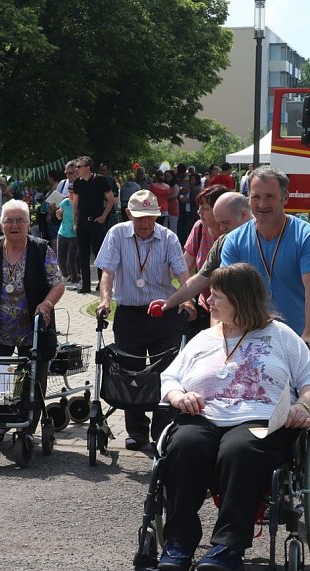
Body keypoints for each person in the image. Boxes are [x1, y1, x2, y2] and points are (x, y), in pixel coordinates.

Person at [156, 263, 310, 571]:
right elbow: (170, 378)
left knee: (240, 450)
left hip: (258, 419)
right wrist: (180, 396)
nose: (209, 301)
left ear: (240, 299)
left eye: (217, 296)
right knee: (184, 447)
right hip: (203, 416)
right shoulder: (203, 338)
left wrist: (302, 407)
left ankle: (226, 548)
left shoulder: (281, 335)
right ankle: (178, 544)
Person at [0, 199, 65, 444]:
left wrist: (47, 304)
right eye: (9, 220)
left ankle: (26, 427)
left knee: (33, 379)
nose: (14, 225)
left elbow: (58, 283)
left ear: (28, 224)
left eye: (20, 220)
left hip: (33, 327)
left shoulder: (41, 249)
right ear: (1, 224)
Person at [95, 190, 195, 450]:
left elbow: (182, 273)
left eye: (150, 218)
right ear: (129, 215)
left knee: (166, 371)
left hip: (162, 312)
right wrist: (105, 300)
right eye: (140, 218)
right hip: (129, 313)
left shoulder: (168, 237)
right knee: (132, 372)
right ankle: (136, 430)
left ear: (157, 216)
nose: (145, 224)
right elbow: (107, 271)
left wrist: (187, 298)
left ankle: (161, 430)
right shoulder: (117, 234)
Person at [220, 165, 310, 376]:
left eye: (270, 196)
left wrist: (309, 335)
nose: (262, 204)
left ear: (284, 198)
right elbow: (224, 294)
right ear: (248, 198)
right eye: (256, 196)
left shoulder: (307, 237)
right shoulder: (234, 240)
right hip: (251, 339)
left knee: (302, 408)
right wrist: (222, 338)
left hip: (300, 341)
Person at [157, 192, 254, 334]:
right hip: (229, 320)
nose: (221, 229)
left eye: (226, 223)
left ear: (244, 215)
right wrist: (170, 301)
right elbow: (201, 279)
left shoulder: (265, 238)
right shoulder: (224, 241)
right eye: (219, 223)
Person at [71, 156, 115, 294]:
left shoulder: (100, 180)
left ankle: (101, 283)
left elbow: (111, 200)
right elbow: (75, 203)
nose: (77, 169)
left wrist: (103, 216)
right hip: (82, 222)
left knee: (99, 254)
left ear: (87, 167)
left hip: (96, 222)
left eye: (79, 167)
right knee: (82, 254)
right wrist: (74, 221)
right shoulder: (77, 182)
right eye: (76, 167)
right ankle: (85, 284)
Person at [55, 187, 80, 289]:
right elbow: (59, 216)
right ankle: (65, 275)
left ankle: (76, 280)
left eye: (73, 193)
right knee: (60, 259)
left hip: (74, 236)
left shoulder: (79, 204)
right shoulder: (65, 202)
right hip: (62, 233)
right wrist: (58, 213)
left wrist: (77, 224)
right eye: (69, 192)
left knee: (71, 259)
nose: (70, 194)